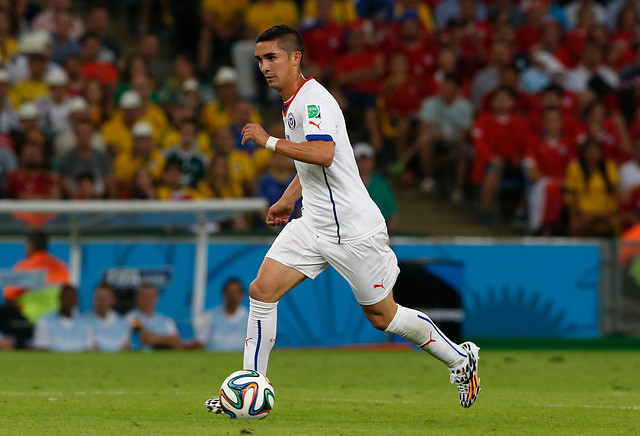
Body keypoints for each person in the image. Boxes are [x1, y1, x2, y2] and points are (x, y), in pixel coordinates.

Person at [204, 25, 481, 414]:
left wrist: (268, 141)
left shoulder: (313, 100)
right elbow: (311, 166)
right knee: (262, 291)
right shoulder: (292, 102)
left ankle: (459, 358)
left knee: (384, 316)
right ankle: (248, 391)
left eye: (272, 58)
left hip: (352, 230)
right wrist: (287, 200)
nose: (264, 67)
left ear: (295, 58)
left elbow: (322, 154)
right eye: (260, 60)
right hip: (314, 223)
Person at [353, 142, 398, 232]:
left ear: (372, 161)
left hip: (380, 231)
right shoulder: (348, 182)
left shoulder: (381, 183)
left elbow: (394, 212)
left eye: (366, 160)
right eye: (360, 160)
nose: (363, 164)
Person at [33, 285, 93, 352]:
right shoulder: (45, 321)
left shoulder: (85, 323)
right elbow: (42, 348)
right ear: (60, 298)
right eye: (66, 296)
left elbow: (89, 349)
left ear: (76, 300)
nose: (69, 300)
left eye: (72, 297)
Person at [196, 278, 249, 351]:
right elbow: (200, 342)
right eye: (230, 292)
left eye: (235, 293)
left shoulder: (250, 318)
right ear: (224, 294)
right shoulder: (210, 316)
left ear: (242, 295)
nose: (233, 296)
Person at [125, 283, 181, 351]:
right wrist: (167, 340)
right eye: (144, 296)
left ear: (156, 299)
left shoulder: (167, 321)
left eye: (150, 297)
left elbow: (176, 342)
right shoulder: (131, 317)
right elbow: (145, 338)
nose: (147, 300)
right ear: (137, 298)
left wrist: (155, 338)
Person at [84, 283, 130, 352]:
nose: (102, 301)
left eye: (105, 298)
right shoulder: (84, 320)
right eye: (99, 297)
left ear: (113, 300)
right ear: (94, 298)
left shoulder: (123, 323)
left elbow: (126, 348)